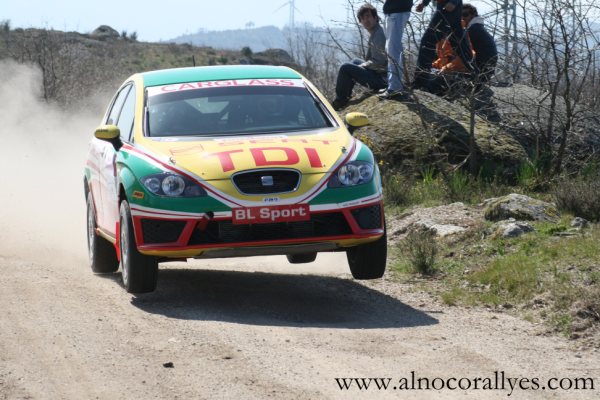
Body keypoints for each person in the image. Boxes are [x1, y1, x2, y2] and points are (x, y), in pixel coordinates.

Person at [332, 4, 387, 110]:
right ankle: (346, 96)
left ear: (375, 18)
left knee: (345, 67)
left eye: (368, 16)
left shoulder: (379, 35)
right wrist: (361, 66)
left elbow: (379, 63)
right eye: (362, 18)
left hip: (382, 80)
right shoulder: (376, 32)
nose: (366, 20)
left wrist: (363, 66)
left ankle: (340, 101)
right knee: (354, 61)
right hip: (380, 74)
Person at [413, 0, 475, 88]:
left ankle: (420, 83)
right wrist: (424, 3)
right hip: (449, 10)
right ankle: (475, 75)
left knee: (427, 43)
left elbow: (450, 7)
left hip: (446, 10)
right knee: (459, 45)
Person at [377, 0, 413, 99]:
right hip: (393, 12)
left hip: (397, 11)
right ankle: (393, 85)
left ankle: (394, 88)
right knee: (391, 50)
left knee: (393, 50)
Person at [461, 3, 498, 84]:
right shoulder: (477, 27)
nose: (462, 17)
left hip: (480, 71)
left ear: (473, 15)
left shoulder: (473, 29)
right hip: (486, 71)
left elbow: (461, 50)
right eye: (460, 15)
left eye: (465, 14)